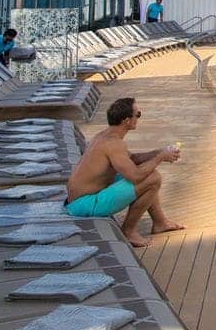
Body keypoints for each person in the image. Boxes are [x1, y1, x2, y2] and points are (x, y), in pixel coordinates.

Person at [64, 97, 184, 248]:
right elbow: (135, 177)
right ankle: (129, 231)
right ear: (127, 120)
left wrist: (158, 152)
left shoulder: (105, 136)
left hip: (76, 201)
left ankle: (160, 222)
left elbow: (132, 158)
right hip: (84, 205)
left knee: (148, 173)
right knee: (152, 178)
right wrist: (160, 158)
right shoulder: (114, 144)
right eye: (138, 114)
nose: (138, 118)